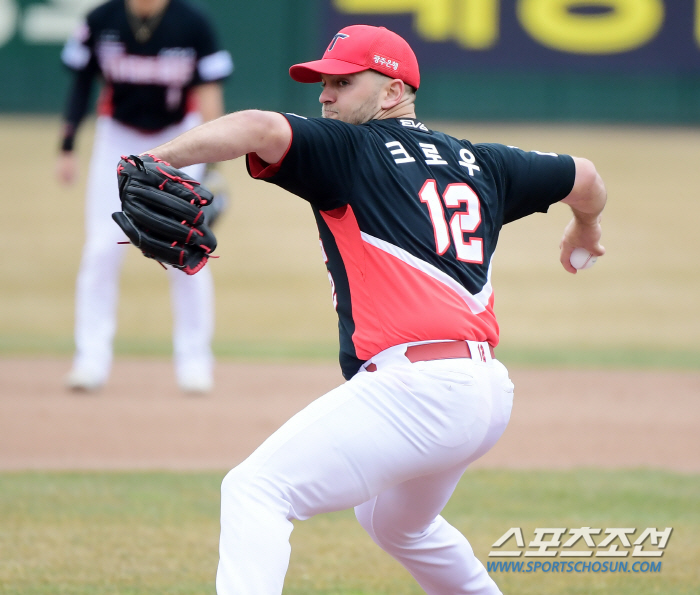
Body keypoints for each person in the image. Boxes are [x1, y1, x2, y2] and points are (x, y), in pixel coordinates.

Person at [143, 24, 606, 595]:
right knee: (395, 524)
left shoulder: (348, 148)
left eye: (342, 81)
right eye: (322, 82)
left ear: (391, 93)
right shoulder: (484, 162)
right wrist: (585, 226)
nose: (325, 95)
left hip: (419, 391)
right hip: (484, 394)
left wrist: (154, 157)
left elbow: (258, 127)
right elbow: (585, 175)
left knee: (254, 490)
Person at [56, 0, 233, 393]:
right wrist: (67, 145)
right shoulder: (102, 20)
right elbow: (82, 82)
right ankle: (91, 358)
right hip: (117, 137)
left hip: (180, 137)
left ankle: (195, 361)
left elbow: (209, 93)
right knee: (102, 247)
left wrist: (216, 163)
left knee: (183, 247)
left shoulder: (192, 23)